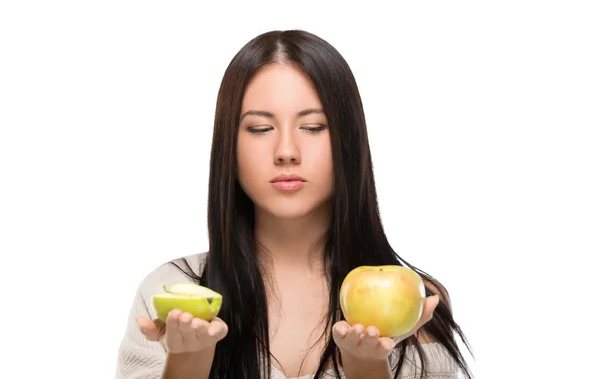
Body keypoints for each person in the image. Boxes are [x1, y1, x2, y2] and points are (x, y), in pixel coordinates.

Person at [115, 29, 475, 379]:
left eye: (314, 126)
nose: (286, 151)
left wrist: (367, 368)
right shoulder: (171, 291)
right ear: (229, 146)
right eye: (260, 129)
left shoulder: (418, 304)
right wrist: (188, 362)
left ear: (348, 140)